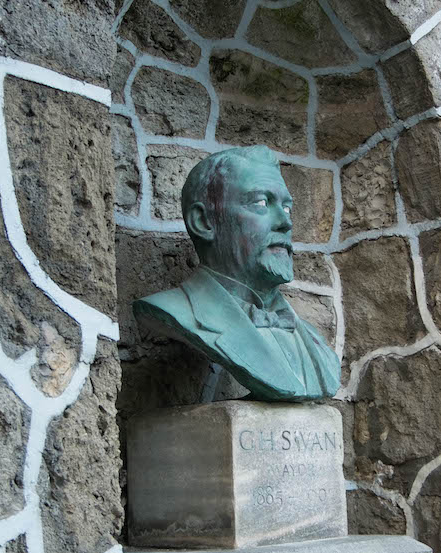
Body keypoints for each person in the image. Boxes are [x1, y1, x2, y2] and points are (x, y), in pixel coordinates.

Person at [133, 145, 340, 401]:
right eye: (261, 203)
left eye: (287, 208)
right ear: (203, 222)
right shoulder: (173, 309)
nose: (286, 222)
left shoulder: (314, 341)